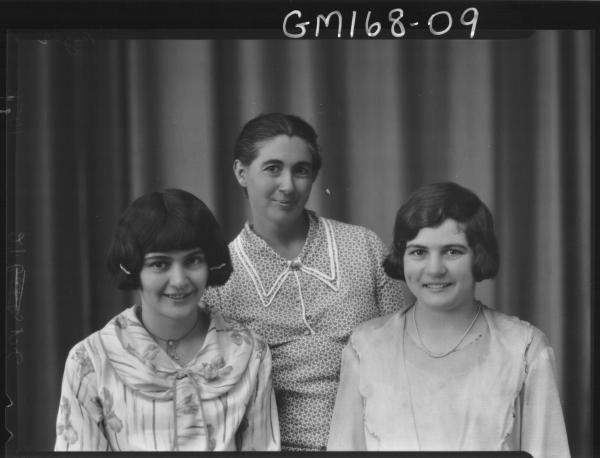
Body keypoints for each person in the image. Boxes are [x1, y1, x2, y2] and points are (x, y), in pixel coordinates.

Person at [203, 112, 411, 451]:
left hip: (374, 442)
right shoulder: (219, 278)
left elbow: (405, 350)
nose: (288, 186)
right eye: (272, 168)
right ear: (241, 173)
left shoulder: (364, 247)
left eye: (301, 170)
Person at [327, 182, 570, 457]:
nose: (434, 269)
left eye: (452, 251)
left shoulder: (524, 348)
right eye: (418, 252)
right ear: (402, 257)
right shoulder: (366, 347)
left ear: (479, 255)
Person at [54, 189, 280, 451]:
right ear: (133, 269)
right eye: (159, 264)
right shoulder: (89, 361)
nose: (179, 280)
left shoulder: (251, 353)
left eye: (193, 260)